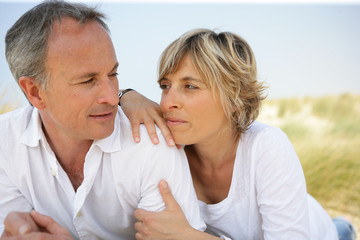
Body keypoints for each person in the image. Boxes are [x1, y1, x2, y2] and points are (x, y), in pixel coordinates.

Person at [120, 29, 357, 239]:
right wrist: (125, 96)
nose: (168, 102)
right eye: (165, 86)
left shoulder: (266, 145)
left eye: (190, 86)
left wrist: (189, 237)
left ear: (235, 98)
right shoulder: (165, 149)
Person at [0, 2, 205, 239]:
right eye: (88, 80)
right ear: (34, 92)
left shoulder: (153, 145)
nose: (112, 96)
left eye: (113, 74)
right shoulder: (5, 143)